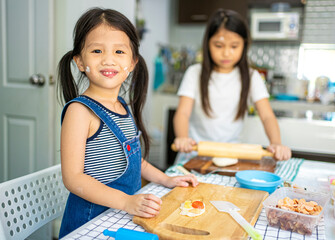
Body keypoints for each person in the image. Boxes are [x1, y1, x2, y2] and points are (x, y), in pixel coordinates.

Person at [57, 8, 198, 238]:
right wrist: (126, 201)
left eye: (119, 51)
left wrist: (166, 179)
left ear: (132, 63)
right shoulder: (79, 111)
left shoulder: (122, 106)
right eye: (97, 50)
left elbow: (133, 162)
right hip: (89, 225)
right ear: (80, 62)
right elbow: (73, 179)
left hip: (121, 218)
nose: (108, 59)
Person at [173, 9, 291, 161]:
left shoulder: (251, 77)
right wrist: (182, 138)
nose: (227, 53)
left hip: (232, 156)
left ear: (244, 45)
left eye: (234, 46)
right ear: (207, 43)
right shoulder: (194, 73)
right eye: (219, 45)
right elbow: (182, 113)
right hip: (194, 154)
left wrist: (276, 143)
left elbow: (267, 116)